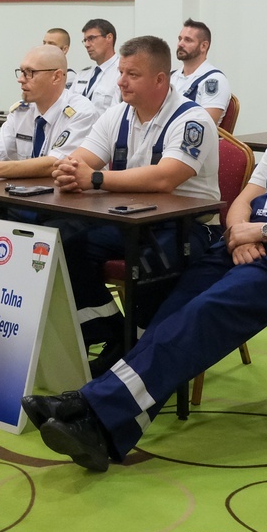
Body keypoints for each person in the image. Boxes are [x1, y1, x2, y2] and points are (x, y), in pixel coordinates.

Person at [24, 37, 267, 470]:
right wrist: (242, 232)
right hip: (247, 243)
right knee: (174, 308)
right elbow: (244, 199)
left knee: (206, 310)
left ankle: (86, 405)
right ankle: (103, 427)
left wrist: (261, 230)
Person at [50, 35, 220, 365]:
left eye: (132, 74)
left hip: (188, 229)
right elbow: (82, 159)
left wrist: (94, 178)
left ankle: (141, 356)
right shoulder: (117, 115)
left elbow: (165, 178)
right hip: (131, 221)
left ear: (159, 79)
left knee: (148, 266)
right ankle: (114, 334)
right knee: (67, 245)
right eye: (121, 72)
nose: (121, 81)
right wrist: (68, 169)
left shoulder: (192, 120)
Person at [0, 44, 97, 364]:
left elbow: (55, 164)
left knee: (42, 244)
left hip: (61, 211)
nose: (21, 79)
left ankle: (30, 345)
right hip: (18, 207)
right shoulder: (20, 111)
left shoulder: (81, 112)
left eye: (30, 73)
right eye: (21, 72)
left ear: (57, 77)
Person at [170, 19, 231, 124]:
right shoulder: (171, 77)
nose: (180, 44)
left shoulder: (214, 80)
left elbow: (204, 124)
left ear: (204, 46)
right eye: (180, 39)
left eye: (188, 40)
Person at [74, 18, 120, 114]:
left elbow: (118, 113)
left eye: (91, 38)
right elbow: (68, 104)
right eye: (85, 40)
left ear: (109, 38)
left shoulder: (121, 73)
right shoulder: (82, 74)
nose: (86, 45)